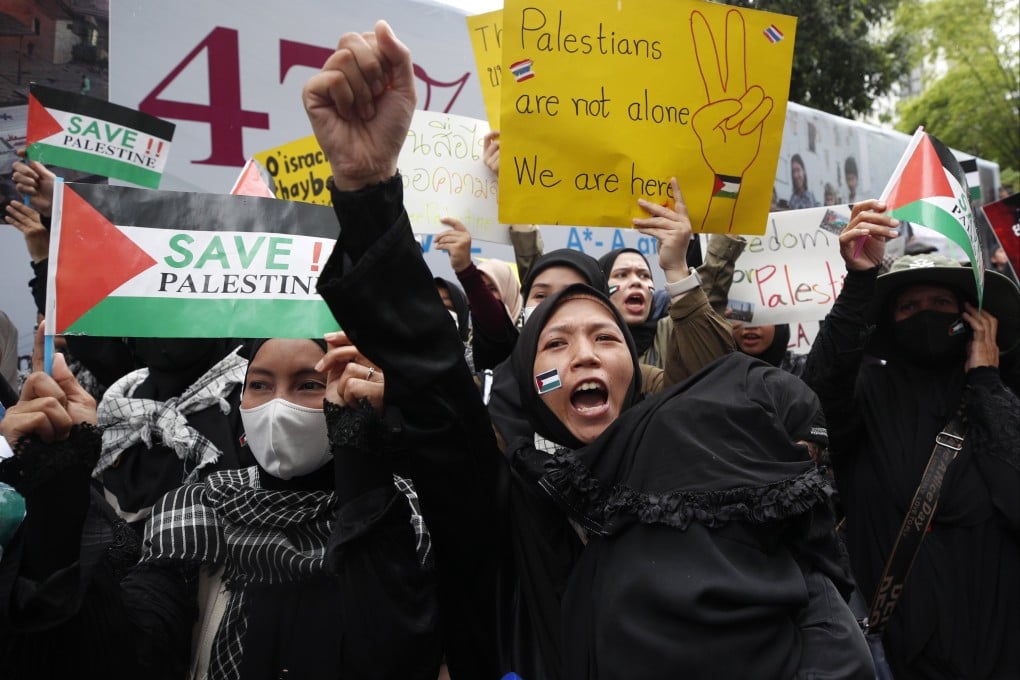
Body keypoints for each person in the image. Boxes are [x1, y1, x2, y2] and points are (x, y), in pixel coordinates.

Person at [304, 21, 871, 679]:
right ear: (521, 377)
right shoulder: (501, 497)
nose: (584, 355)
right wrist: (371, 190)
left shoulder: (710, 486)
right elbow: (433, 377)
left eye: (605, 337)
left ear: (639, 371)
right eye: (554, 342)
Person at [0, 335, 440, 679]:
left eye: (309, 384)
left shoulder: (404, 515)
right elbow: (129, 657)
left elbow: (396, 653)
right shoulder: (197, 508)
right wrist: (59, 500)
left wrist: (364, 465)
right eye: (260, 385)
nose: (277, 406)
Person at [802, 200, 1020, 678]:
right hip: (903, 647)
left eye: (941, 304)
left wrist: (986, 382)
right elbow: (819, 390)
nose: (925, 314)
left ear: (971, 319)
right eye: (909, 307)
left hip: (998, 639)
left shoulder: (1000, 395)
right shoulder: (867, 394)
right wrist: (860, 280)